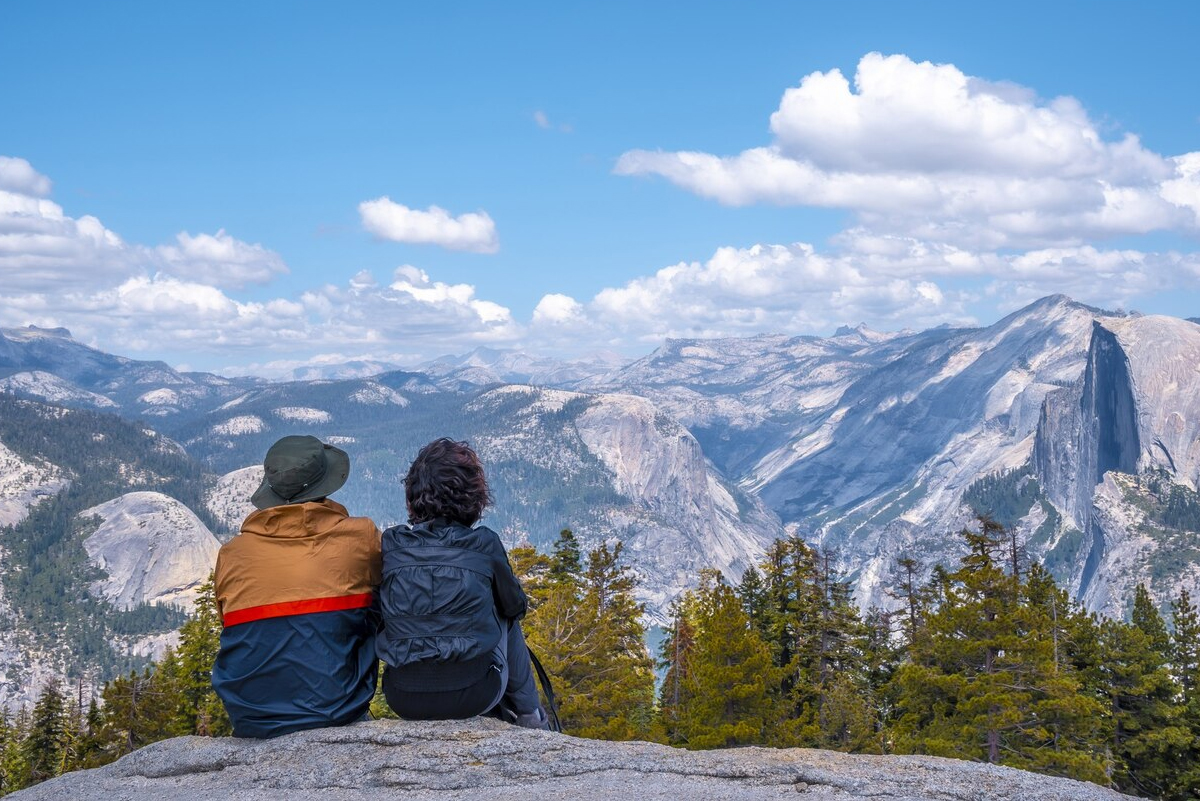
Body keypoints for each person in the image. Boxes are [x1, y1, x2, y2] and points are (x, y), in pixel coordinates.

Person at [211, 434, 382, 738]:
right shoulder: (361, 537)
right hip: (336, 710)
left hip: (251, 716)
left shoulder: (232, 554)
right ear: (325, 484)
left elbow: (230, 624)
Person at [376, 438, 549, 729]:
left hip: (403, 694)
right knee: (505, 611)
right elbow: (516, 607)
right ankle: (530, 716)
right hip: (476, 692)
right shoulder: (484, 544)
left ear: (413, 494)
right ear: (473, 496)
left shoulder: (392, 545)